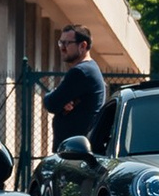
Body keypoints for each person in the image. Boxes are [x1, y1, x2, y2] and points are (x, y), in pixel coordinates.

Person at [42, 23, 109, 151]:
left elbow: (51, 103)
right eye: (61, 43)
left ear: (83, 46)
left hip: (75, 153)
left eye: (67, 43)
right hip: (76, 150)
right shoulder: (90, 69)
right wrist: (61, 101)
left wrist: (56, 98)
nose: (62, 48)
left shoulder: (81, 72)